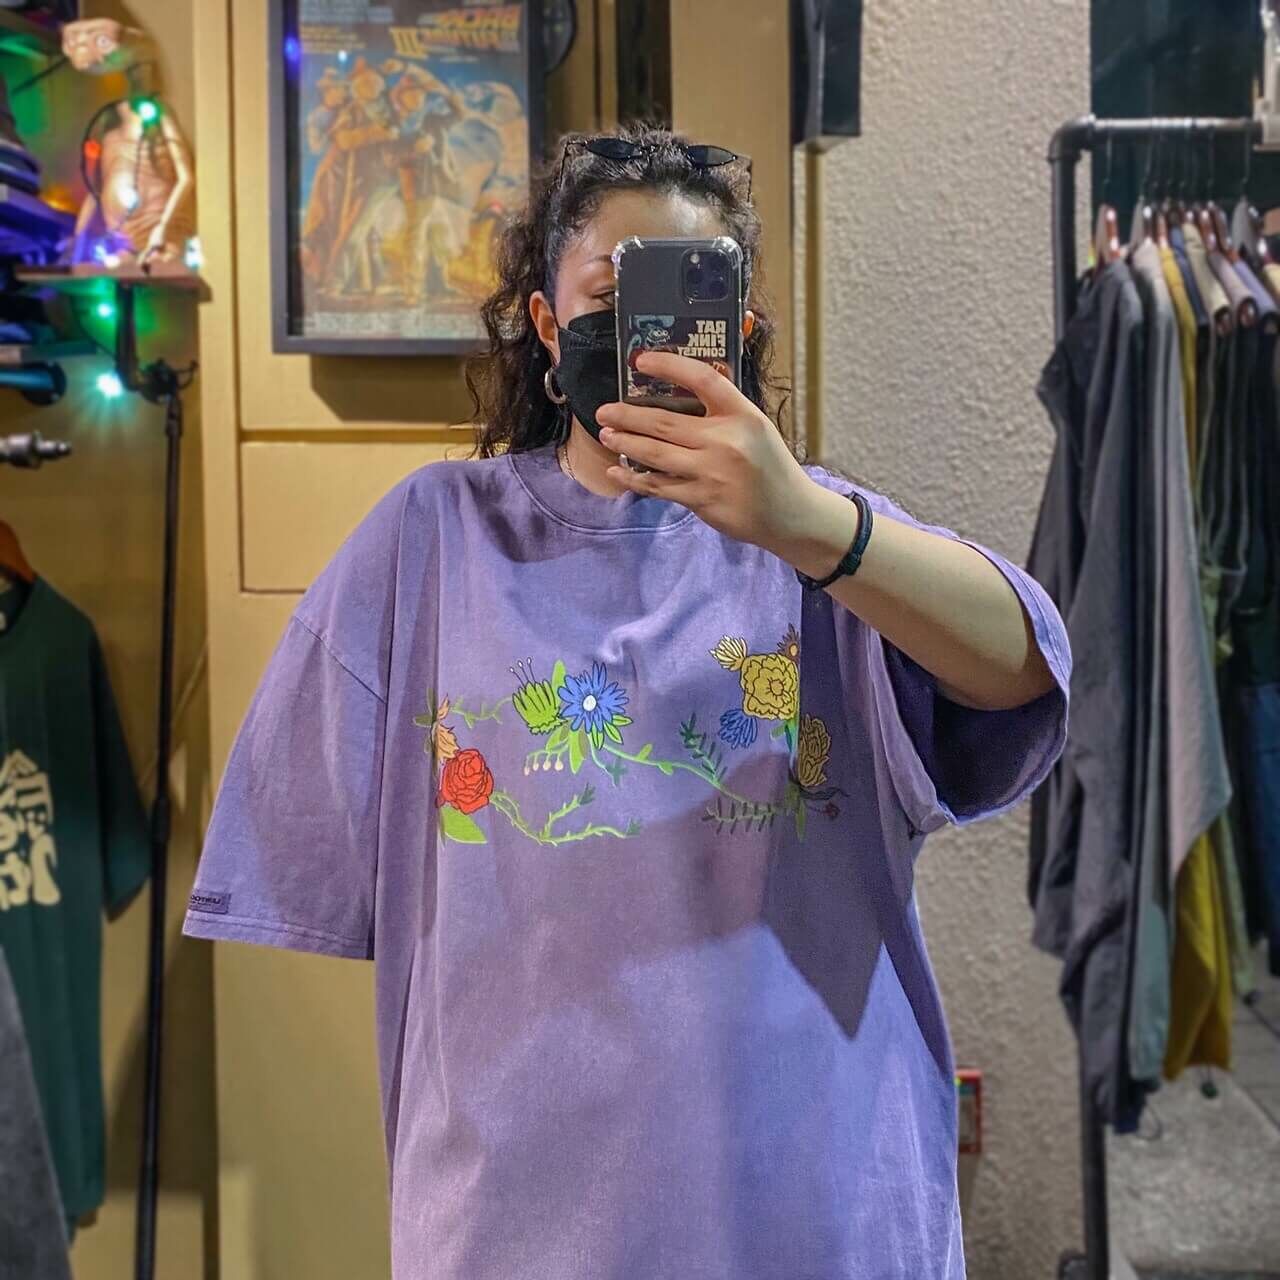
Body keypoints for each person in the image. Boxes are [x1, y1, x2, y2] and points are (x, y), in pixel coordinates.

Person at [184, 124, 1070, 1279]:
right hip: (518, 1231)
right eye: (610, 293)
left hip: (819, 1220)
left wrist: (805, 523)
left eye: (688, 293)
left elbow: (1023, 666)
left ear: (738, 327)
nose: (643, 327)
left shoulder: (826, 542)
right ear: (549, 325)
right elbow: (302, 844)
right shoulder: (431, 539)